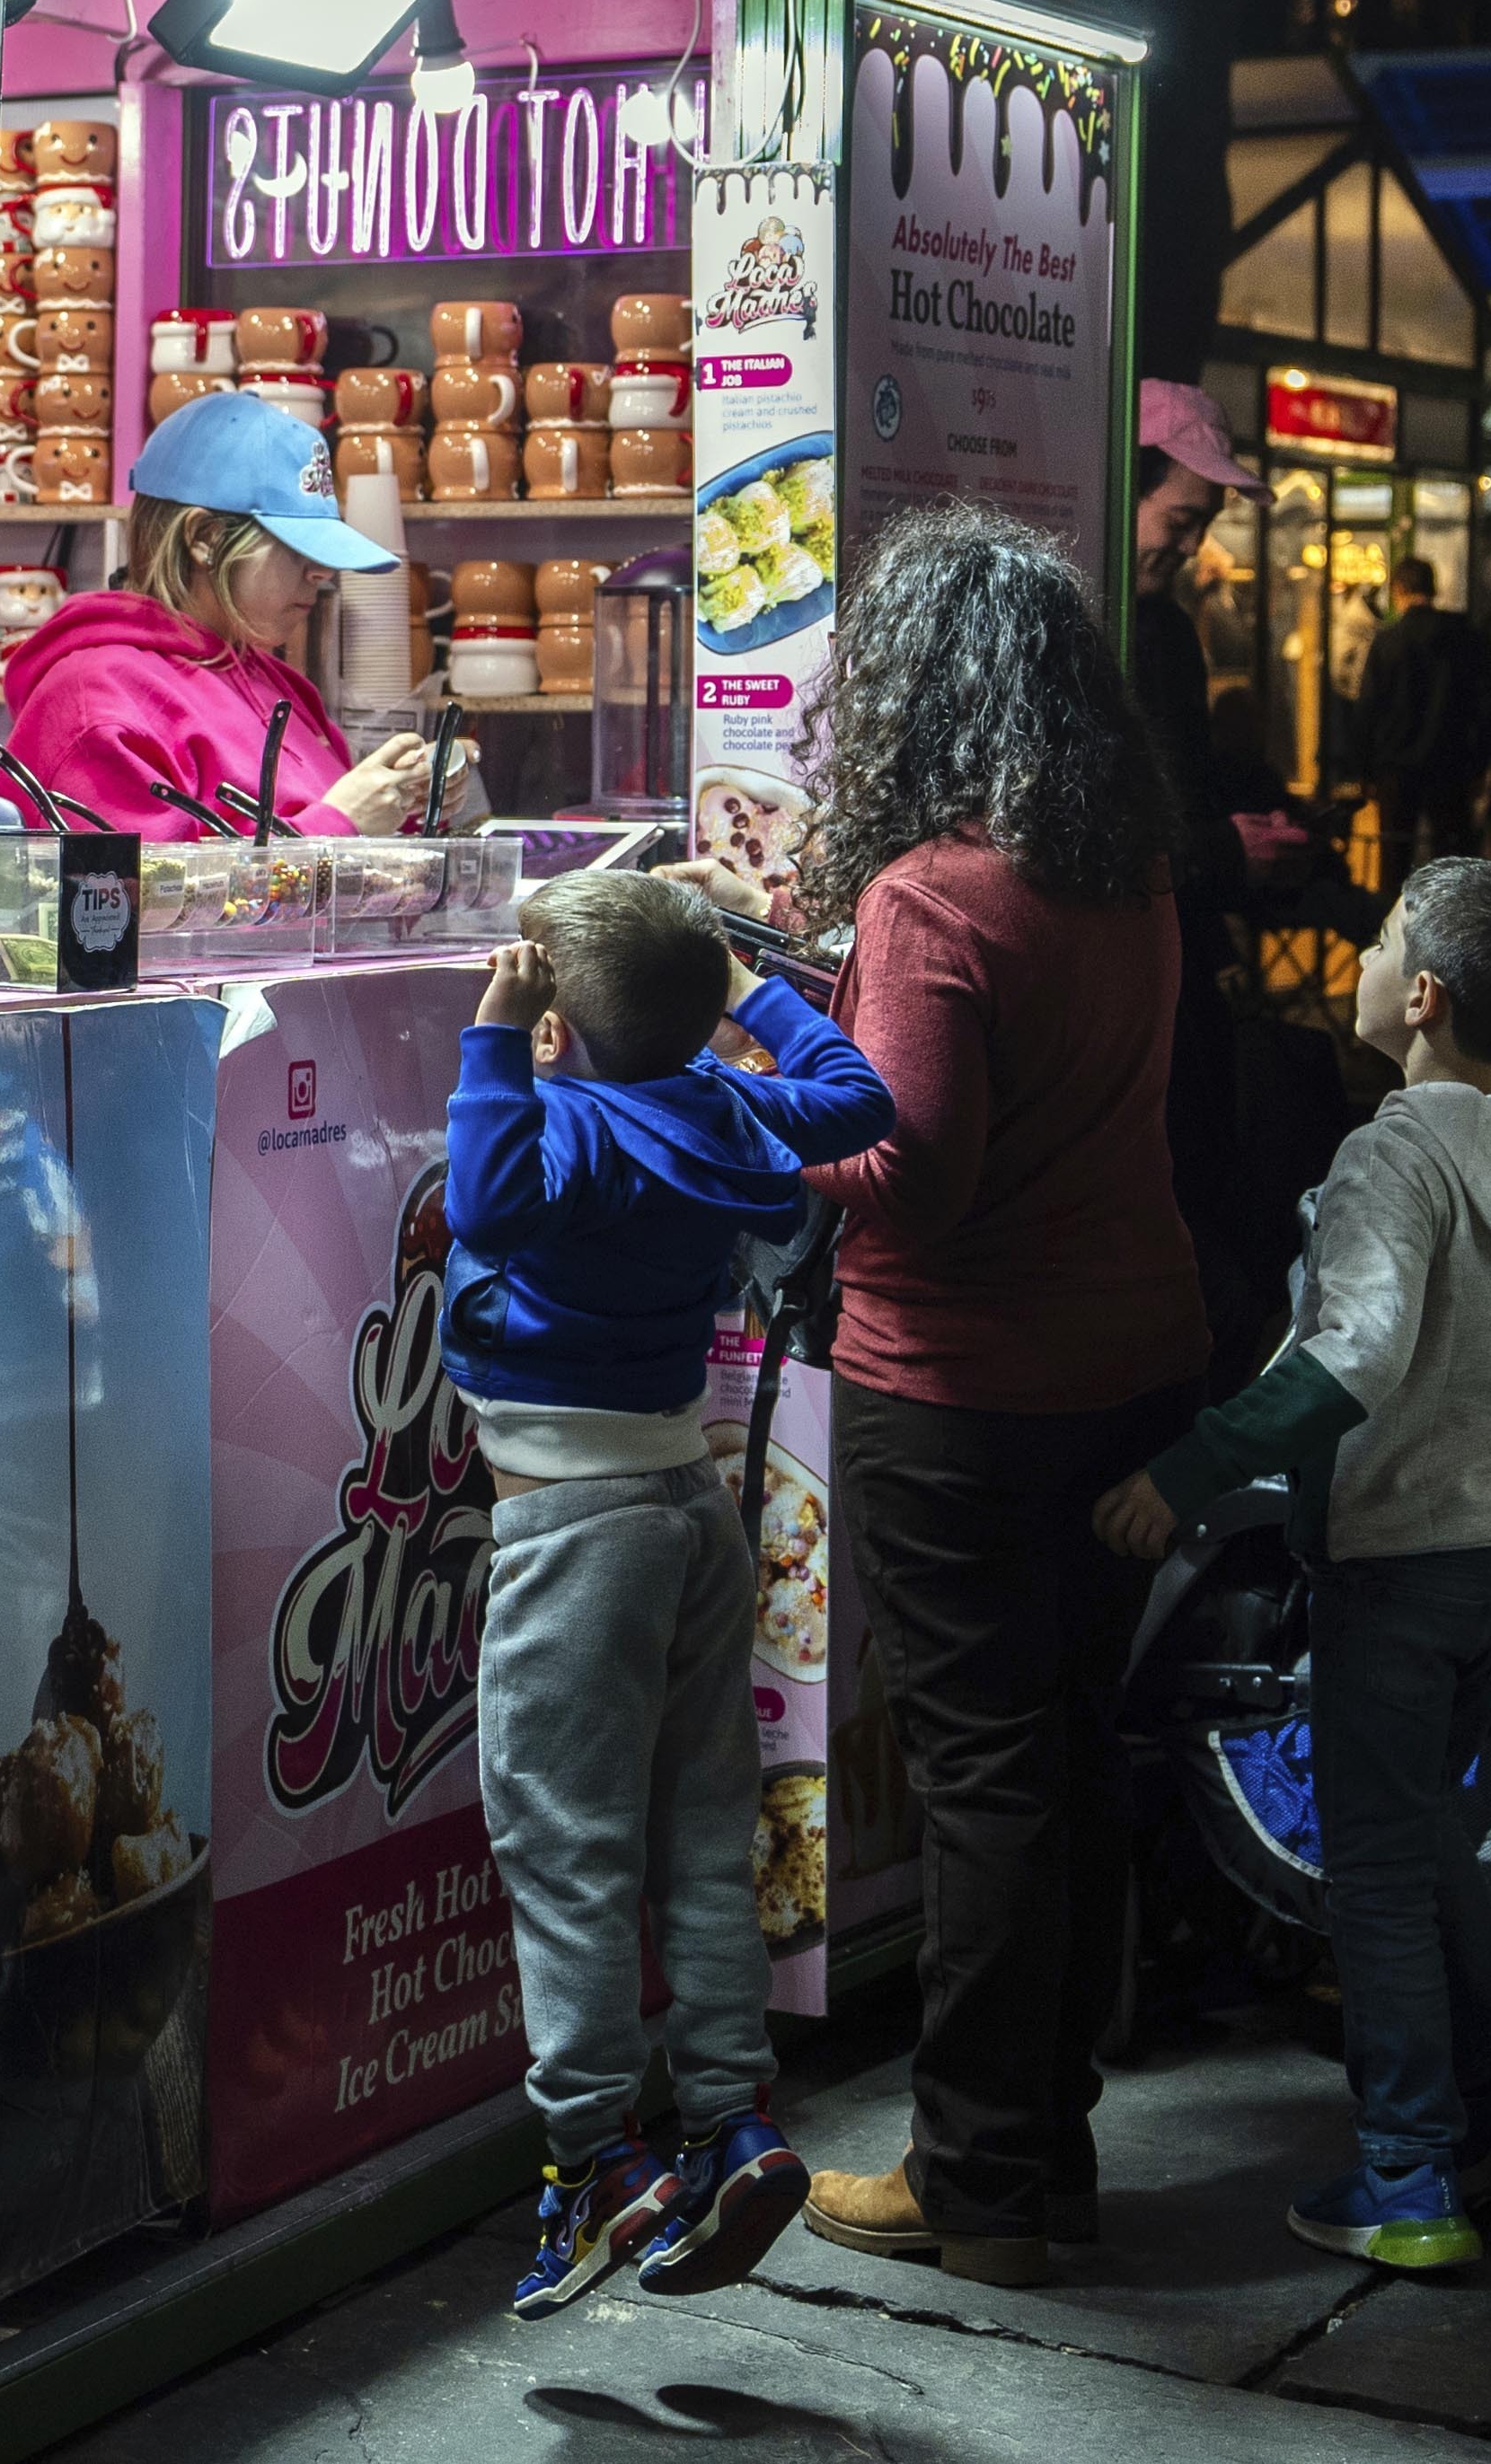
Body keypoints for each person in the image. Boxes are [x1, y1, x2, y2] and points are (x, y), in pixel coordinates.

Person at [692, 503, 1198, 2285]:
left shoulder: (930, 895)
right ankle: (1039, 2152)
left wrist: (737, 1094)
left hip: (964, 1387)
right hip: (1129, 1365)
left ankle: (977, 2180)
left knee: (990, 1778)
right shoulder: (1117, 867)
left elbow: (907, 1176)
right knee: (1054, 1761)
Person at [1095, 858, 1491, 2274]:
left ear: (1420, 996)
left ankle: (1403, 2169)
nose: (1366, 959)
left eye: (1381, 941)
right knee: (1426, 1831)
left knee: (1371, 1870)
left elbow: (1353, 1350)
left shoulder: (1392, 1149)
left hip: (1406, 1548)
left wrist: (1186, 1470)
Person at [446, 871, 897, 2318]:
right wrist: (741, 978)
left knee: (566, 1855)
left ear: (560, 1034)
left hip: (570, 1531)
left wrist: (489, 1037)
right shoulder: (719, 1110)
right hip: (689, 1511)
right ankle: (732, 2120)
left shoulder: (556, 1127)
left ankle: (593, 2158)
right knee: (703, 1825)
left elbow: (482, 1196)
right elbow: (854, 1096)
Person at [0, 389, 465, 837]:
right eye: (293, 547)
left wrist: (406, 807)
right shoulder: (96, 699)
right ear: (204, 539)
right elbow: (143, 902)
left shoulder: (271, 682)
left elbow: (320, 842)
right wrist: (340, 824)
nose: (321, 572)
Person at [1127, 382, 1314, 1391]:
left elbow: (1183, 788)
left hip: (1189, 966)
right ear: (1130, 485)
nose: (1190, 548)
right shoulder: (1104, 624)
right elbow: (1116, 827)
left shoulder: (1166, 628)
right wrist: (1225, 851)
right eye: (1181, 520)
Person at [1354, 557, 1491, 878]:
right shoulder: (1465, 637)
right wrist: (1481, 762)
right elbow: (1486, 703)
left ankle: (1395, 922)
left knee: (1395, 860)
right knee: (1452, 863)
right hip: (1451, 764)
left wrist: (1366, 770)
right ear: (1432, 589)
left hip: (1397, 767)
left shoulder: (1388, 641)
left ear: (1399, 590)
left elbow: (1368, 708)